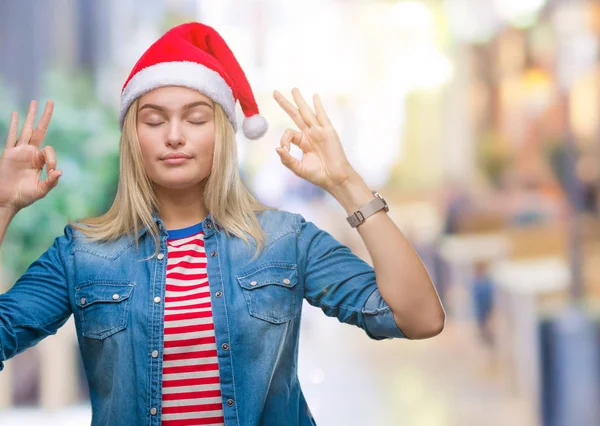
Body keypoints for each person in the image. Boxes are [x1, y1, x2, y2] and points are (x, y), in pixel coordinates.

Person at [0, 22, 445, 426]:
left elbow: (419, 317)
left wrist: (347, 183)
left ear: (224, 133)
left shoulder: (284, 241)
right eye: (154, 120)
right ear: (132, 138)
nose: (175, 135)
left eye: (195, 118)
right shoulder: (83, 253)